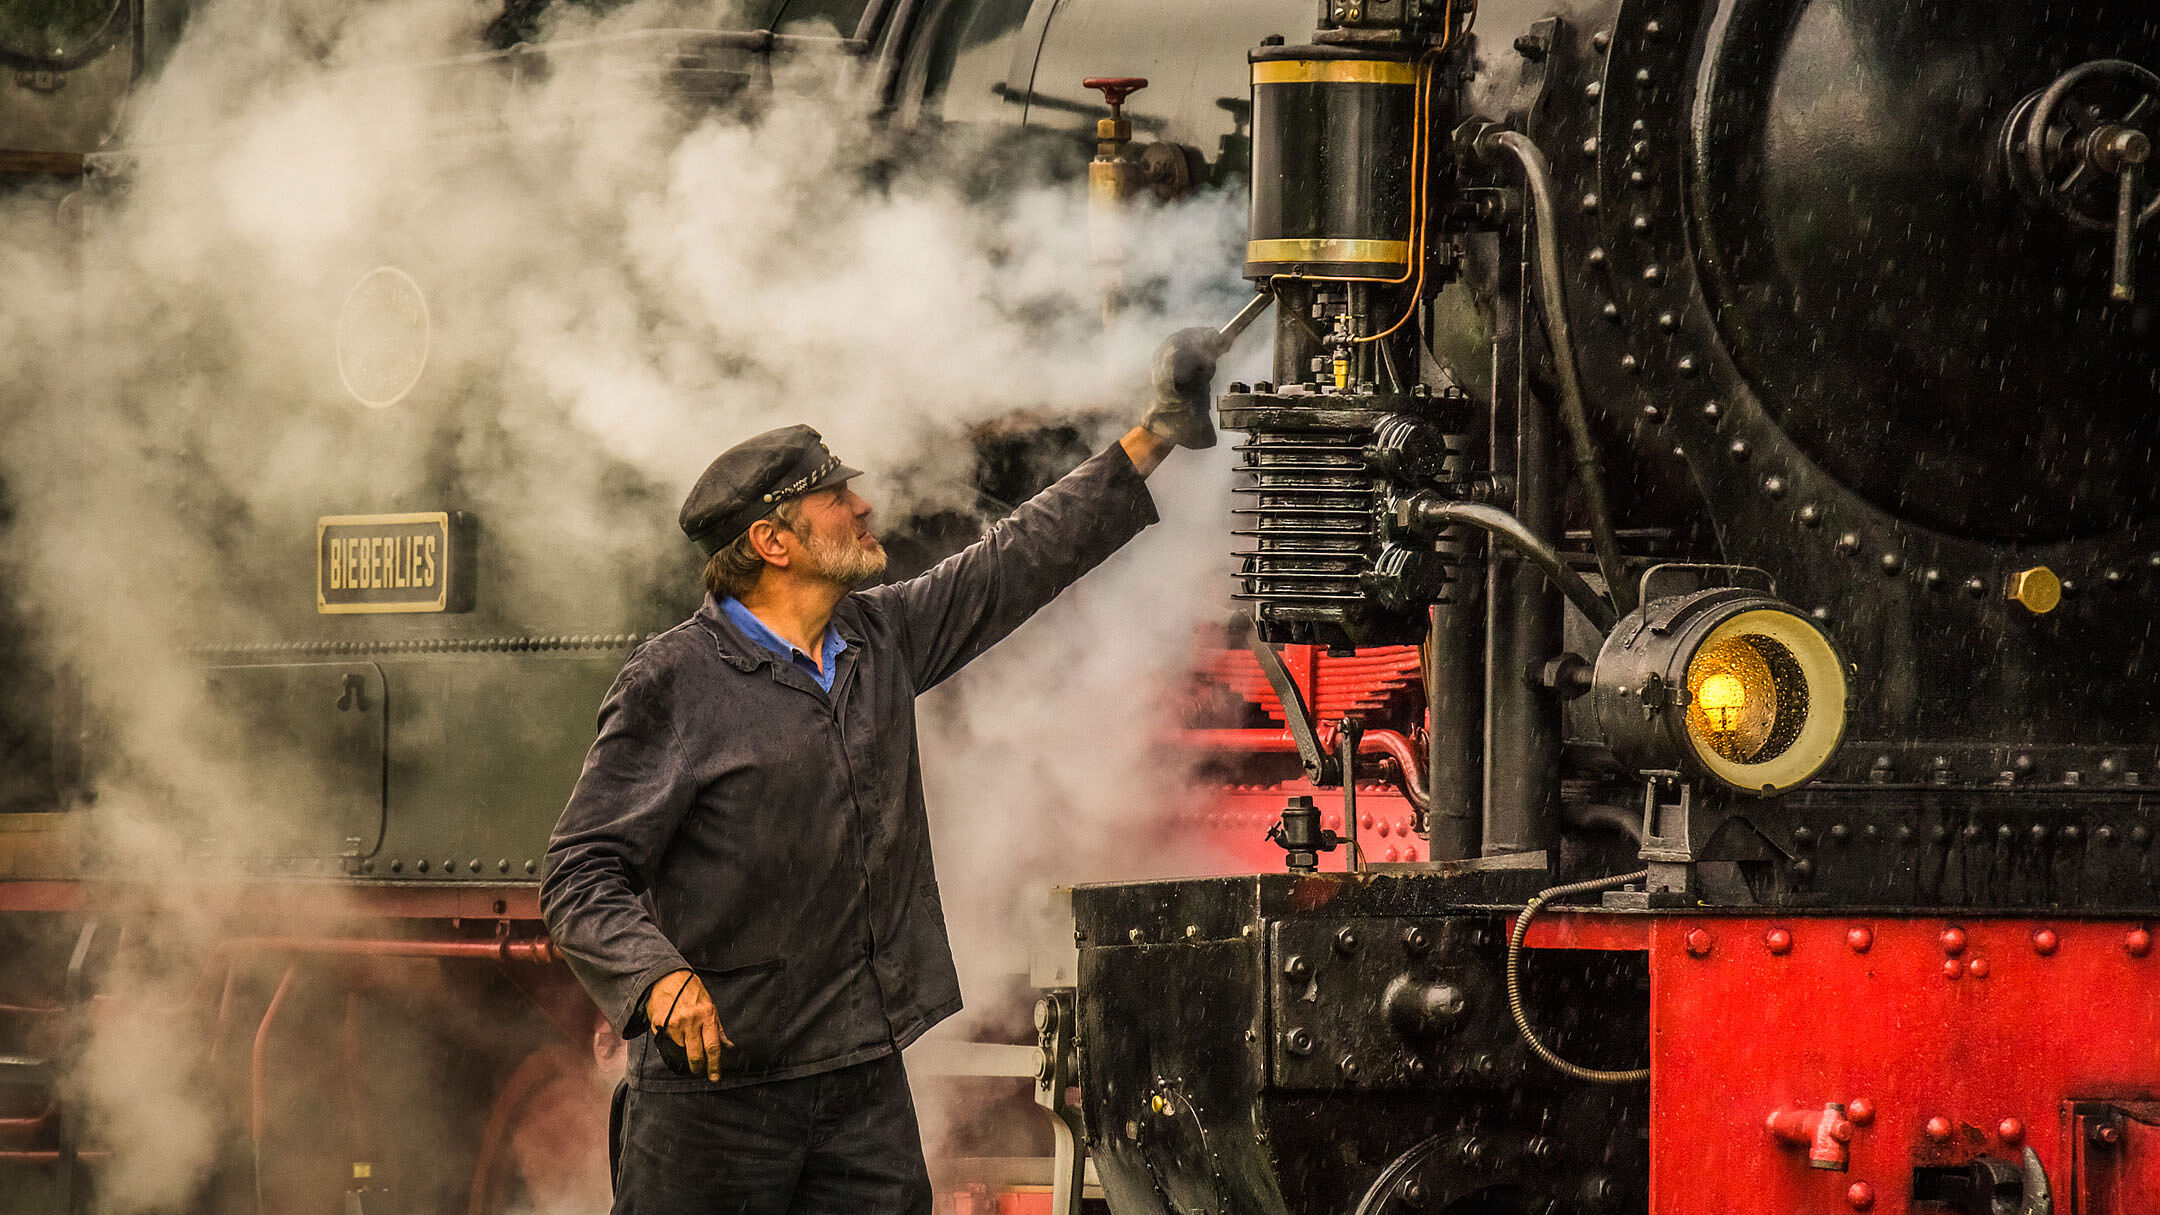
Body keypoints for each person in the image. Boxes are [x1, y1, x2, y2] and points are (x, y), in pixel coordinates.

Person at [539, 327, 1228, 1215]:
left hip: (860, 1082)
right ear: (772, 541)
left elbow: (1018, 558)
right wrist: (659, 980)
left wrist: (1153, 436)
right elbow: (580, 871)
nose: (863, 506)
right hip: (718, 1101)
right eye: (833, 497)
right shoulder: (675, 682)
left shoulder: (879, 637)